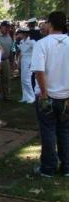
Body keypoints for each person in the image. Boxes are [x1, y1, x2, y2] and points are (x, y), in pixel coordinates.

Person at [31, 11, 69, 178]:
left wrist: (44, 94)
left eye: (46, 21)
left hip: (48, 96)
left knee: (48, 132)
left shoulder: (42, 44)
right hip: (65, 97)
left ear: (50, 24)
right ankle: (67, 167)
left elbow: (39, 71)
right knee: (64, 131)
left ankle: (48, 168)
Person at [0, 21, 13, 100]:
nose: (7, 29)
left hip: (5, 60)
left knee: (6, 78)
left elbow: (11, 49)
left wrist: (11, 60)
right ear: (1, 27)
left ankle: (6, 95)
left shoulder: (9, 37)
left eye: (8, 27)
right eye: (5, 27)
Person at [17, 27, 35, 103]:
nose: (19, 34)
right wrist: (19, 62)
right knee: (23, 80)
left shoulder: (32, 42)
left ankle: (32, 97)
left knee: (27, 80)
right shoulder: (21, 41)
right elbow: (21, 53)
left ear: (24, 33)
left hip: (29, 61)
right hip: (24, 61)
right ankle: (25, 97)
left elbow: (36, 53)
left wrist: (32, 63)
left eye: (20, 33)